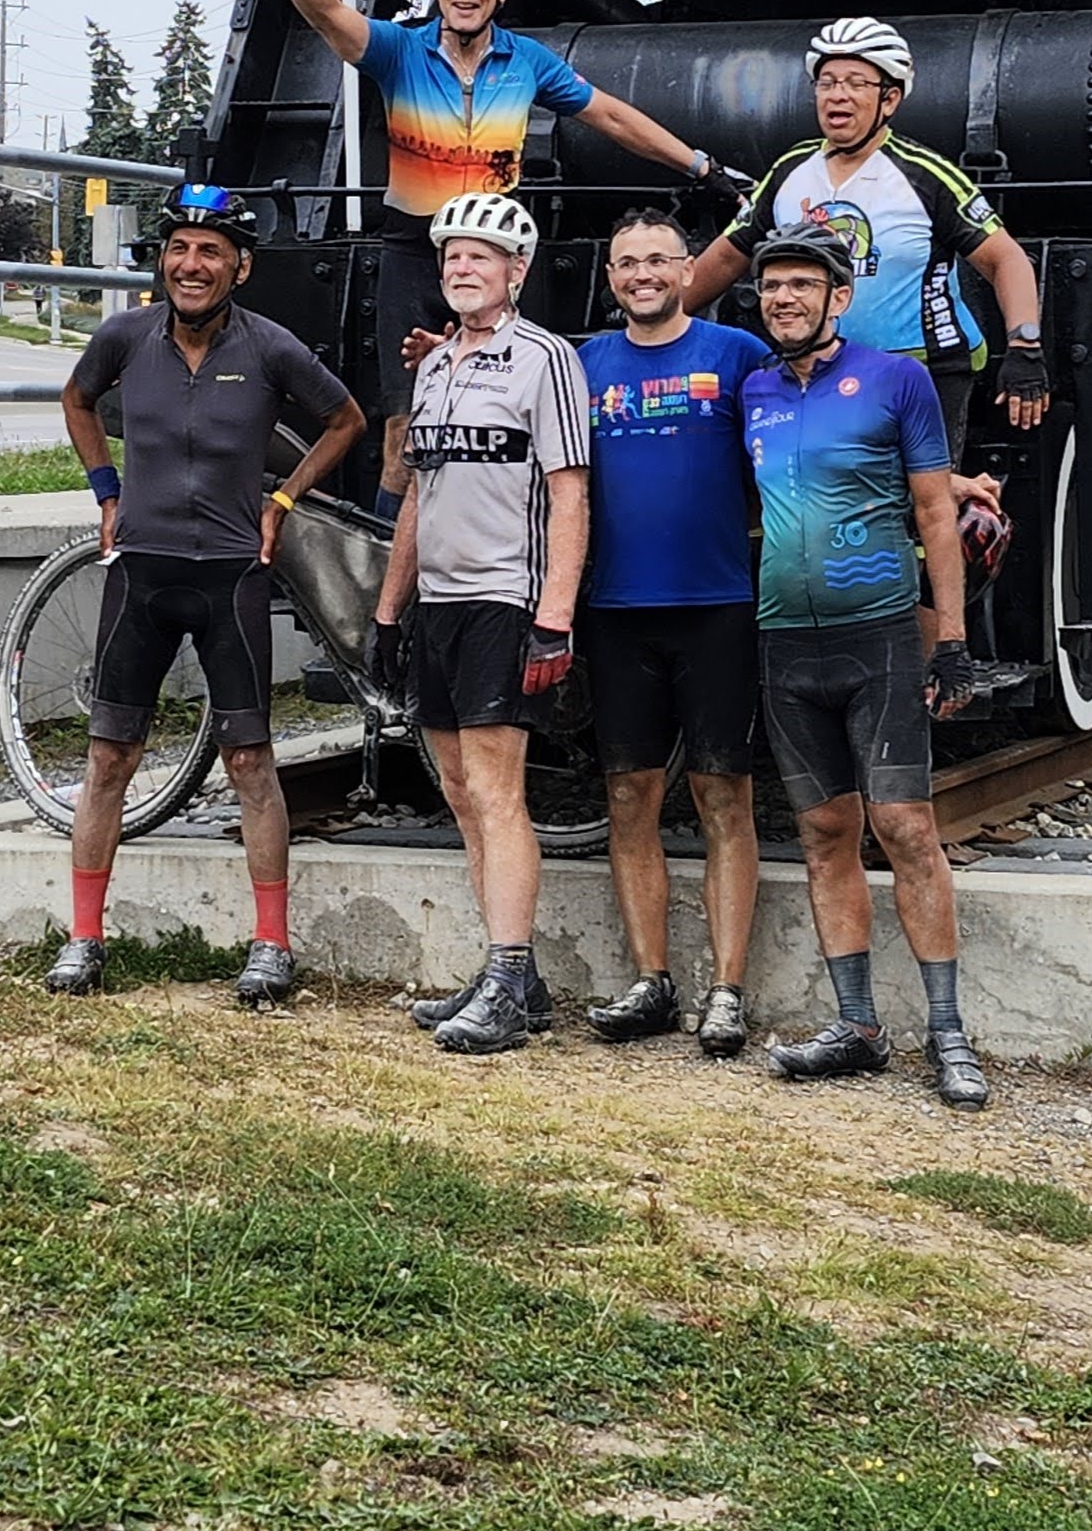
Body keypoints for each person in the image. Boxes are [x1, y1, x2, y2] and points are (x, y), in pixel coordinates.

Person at [264, 0, 739, 519]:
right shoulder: (399, 51)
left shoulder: (528, 62)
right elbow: (328, 16)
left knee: (512, 412)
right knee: (404, 429)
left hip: (500, 255)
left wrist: (699, 165)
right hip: (415, 253)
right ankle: (388, 564)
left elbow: (611, 116)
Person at [51, 184, 365, 1005]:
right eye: (180, 249)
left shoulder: (269, 346)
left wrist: (283, 500)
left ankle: (271, 945)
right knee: (109, 758)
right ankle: (83, 938)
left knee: (251, 762)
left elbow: (346, 420)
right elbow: (77, 399)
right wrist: (105, 491)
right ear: (163, 260)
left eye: (211, 252)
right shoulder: (124, 337)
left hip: (231, 575)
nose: (191, 265)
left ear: (240, 267)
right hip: (142, 572)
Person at [742, 224, 990, 1109]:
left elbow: (933, 512)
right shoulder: (753, 388)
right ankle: (857, 1028)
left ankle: (948, 1033)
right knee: (821, 831)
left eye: (802, 285)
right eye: (772, 286)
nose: (784, 299)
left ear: (838, 298)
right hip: (783, 640)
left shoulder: (896, 379)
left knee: (906, 828)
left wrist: (950, 639)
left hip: (877, 632)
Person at [373, 190, 591, 1058]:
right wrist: (389, 610)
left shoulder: (546, 359)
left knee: (499, 793)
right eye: (452, 256)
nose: (463, 269)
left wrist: (554, 617)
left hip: (506, 596)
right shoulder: (434, 366)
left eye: (481, 257)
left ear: (516, 271)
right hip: (440, 602)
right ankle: (514, 977)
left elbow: (570, 494)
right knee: (460, 789)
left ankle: (505, 976)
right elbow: (417, 493)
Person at [685, 17, 1052, 478]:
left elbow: (1005, 258)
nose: (837, 95)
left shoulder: (925, 176)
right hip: (818, 366)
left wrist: (1024, 345)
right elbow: (726, 255)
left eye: (856, 83)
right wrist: (659, 321)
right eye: (827, 83)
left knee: (920, 501)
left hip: (922, 371)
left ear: (889, 99)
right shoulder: (789, 171)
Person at [574, 208, 767, 1056]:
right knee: (628, 797)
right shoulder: (583, 363)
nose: (643, 275)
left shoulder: (737, 355)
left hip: (717, 605)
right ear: (610, 277)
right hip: (617, 609)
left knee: (723, 793)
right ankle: (650, 981)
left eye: (658, 260)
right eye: (627, 263)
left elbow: (804, 441)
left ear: (689, 271)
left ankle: (727, 990)